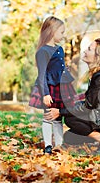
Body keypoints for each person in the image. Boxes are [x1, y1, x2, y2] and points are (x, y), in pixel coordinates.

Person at [46, 38, 100, 154]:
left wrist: (60, 111)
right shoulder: (98, 75)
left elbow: (88, 106)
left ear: (98, 56)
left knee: (70, 118)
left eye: (89, 49)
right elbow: (93, 99)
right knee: (70, 137)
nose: (85, 51)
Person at [34, 16, 76, 154]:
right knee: (48, 116)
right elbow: (42, 74)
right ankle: (48, 145)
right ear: (52, 31)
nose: (63, 35)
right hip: (49, 87)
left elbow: (59, 68)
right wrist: (45, 93)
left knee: (58, 118)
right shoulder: (43, 51)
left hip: (60, 87)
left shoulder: (60, 49)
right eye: (61, 32)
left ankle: (59, 144)